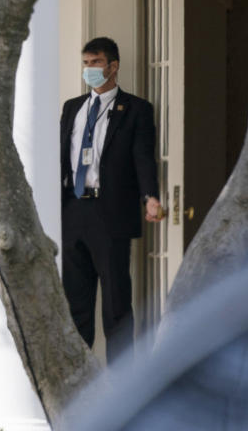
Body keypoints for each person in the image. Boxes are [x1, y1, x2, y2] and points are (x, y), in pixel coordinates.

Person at [60, 37, 162, 363]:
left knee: (116, 303)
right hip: (73, 211)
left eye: (96, 63)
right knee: (76, 303)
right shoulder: (72, 108)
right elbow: (61, 157)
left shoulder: (136, 110)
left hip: (110, 213)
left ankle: (121, 386)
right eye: (86, 63)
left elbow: (143, 158)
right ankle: (77, 384)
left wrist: (150, 197)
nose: (89, 69)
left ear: (113, 66)